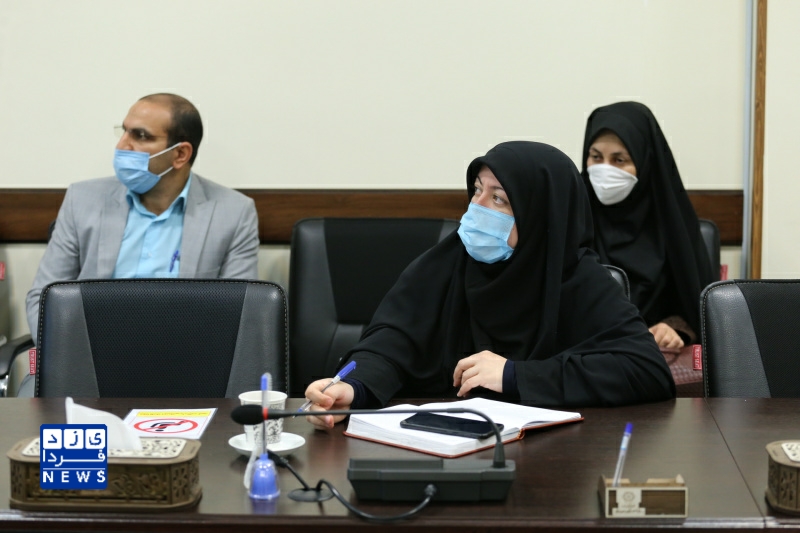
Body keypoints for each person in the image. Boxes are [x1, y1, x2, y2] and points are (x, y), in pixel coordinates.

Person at [304, 141, 675, 428]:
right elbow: (390, 344)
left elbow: (646, 371)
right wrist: (353, 387)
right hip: (435, 447)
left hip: (551, 464)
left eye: (499, 198)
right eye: (477, 190)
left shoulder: (579, 279)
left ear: (541, 217)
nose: (477, 207)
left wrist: (515, 375)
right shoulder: (447, 263)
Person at [26, 93, 259, 344]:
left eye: (141, 136)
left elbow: (239, 313)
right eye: (124, 131)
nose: (122, 146)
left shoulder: (234, 213)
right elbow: (43, 299)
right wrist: (72, 355)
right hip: (92, 353)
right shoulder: (82, 200)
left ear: (180, 154)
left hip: (185, 355)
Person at [581, 102, 715, 351]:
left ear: (645, 161)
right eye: (596, 157)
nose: (605, 170)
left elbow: (697, 308)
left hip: (655, 357)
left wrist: (673, 328)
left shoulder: (672, 224)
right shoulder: (573, 218)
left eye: (619, 160)